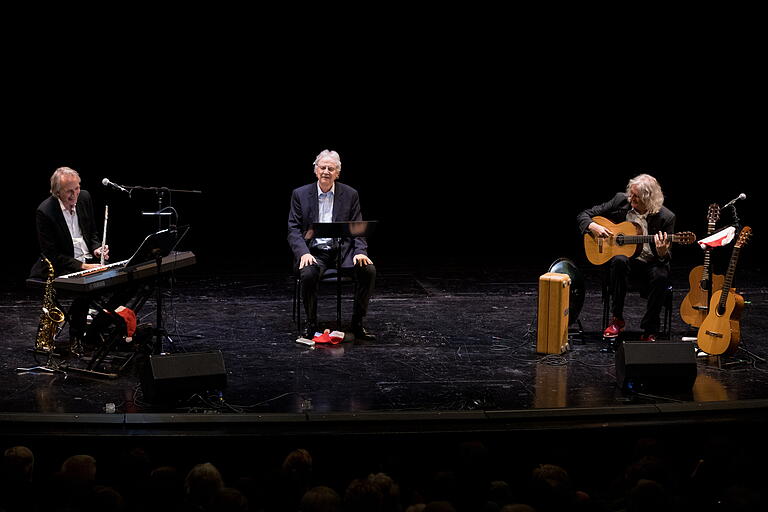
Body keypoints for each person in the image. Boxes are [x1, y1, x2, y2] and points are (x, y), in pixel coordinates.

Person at [288, 149, 377, 341]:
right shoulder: (300, 194)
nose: (326, 171)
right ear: (315, 170)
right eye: (322, 167)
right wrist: (303, 252)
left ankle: (357, 323)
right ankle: (311, 323)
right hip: (315, 252)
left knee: (368, 270)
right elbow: (293, 229)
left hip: (342, 252)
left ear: (337, 173)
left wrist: (360, 251)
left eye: (331, 168)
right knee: (308, 273)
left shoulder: (350, 194)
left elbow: (357, 228)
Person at [577, 174, 674, 342]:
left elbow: (666, 258)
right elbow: (584, 215)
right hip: (624, 263)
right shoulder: (620, 200)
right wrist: (593, 226)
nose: (631, 198)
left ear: (648, 198)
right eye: (631, 193)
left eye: (636, 196)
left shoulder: (666, 217)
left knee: (661, 275)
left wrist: (662, 251)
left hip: (650, 263)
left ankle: (650, 328)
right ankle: (617, 319)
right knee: (619, 260)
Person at [29, 167, 110, 346]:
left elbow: (92, 232)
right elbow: (51, 254)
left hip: (87, 261)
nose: (75, 195)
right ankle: (78, 334)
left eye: (77, 188)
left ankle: (95, 330)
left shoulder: (84, 197)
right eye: (69, 192)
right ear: (57, 192)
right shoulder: (45, 211)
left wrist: (97, 248)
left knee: (124, 283)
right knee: (86, 288)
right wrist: (82, 267)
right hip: (63, 265)